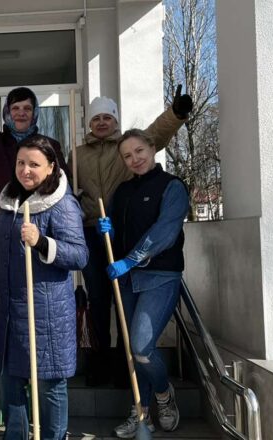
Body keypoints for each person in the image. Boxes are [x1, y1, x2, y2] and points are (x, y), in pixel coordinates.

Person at [71, 90, 192, 387]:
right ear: (89, 124)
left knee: (122, 299)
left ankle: (126, 365)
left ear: (115, 121)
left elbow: (155, 133)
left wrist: (176, 114)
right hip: (94, 230)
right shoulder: (77, 154)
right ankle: (99, 360)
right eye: (96, 118)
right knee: (98, 297)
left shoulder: (125, 147)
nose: (102, 122)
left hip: (125, 235)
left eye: (107, 117)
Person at [0, 135, 88, 439]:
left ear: (51, 167)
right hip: (10, 308)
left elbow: (79, 255)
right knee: (9, 380)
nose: (26, 170)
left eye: (34, 164)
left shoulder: (62, 204)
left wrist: (42, 242)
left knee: (49, 383)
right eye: (21, 163)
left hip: (47, 311)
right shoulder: (9, 203)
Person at [99, 128, 190, 438]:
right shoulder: (123, 191)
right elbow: (116, 234)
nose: (134, 159)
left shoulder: (172, 186)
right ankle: (141, 412)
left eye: (139, 151)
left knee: (141, 346)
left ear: (152, 148)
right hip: (127, 280)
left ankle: (163, 394)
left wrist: (131, 259)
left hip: (160, 276)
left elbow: (165, 232)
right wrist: (108, 229)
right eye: (127, 156)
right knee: (131, 349)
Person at [0, 80, 70, 243]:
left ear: (35, 113)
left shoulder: (49, 146)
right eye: (15, 108)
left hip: (39, 227)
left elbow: (63, 184)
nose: (21, 113)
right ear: (7, 112)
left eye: (27, 108)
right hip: (2, 226)